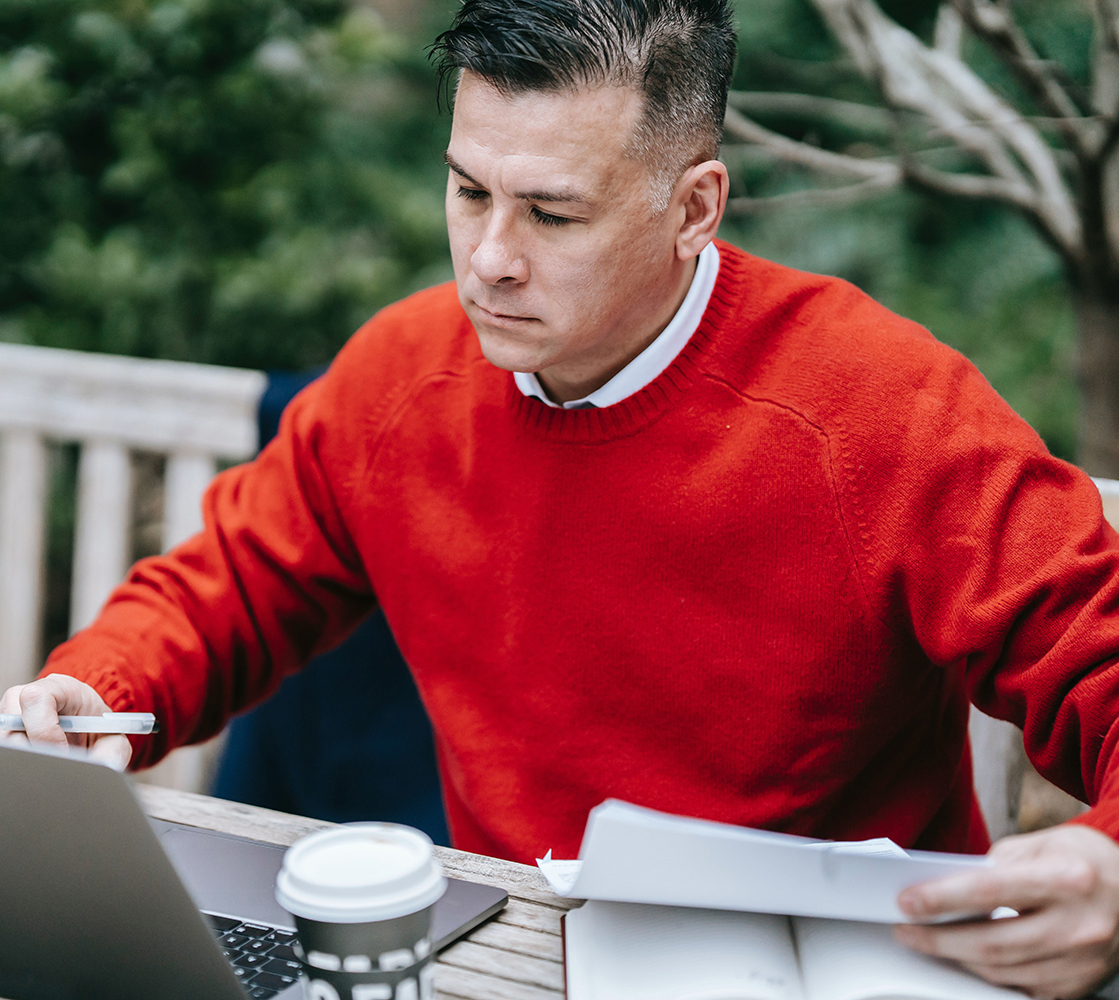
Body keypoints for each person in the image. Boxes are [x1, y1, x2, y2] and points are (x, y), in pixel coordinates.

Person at [5, 0, 1119, 995]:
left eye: (551, 214)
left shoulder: (880, 407)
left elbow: (1099, 655)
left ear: (694, 208)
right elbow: (230, 586)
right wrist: (92, 690)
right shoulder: (400, 375)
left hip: (851, 966)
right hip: (515, 950)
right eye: (467, 189)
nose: (488, 258)